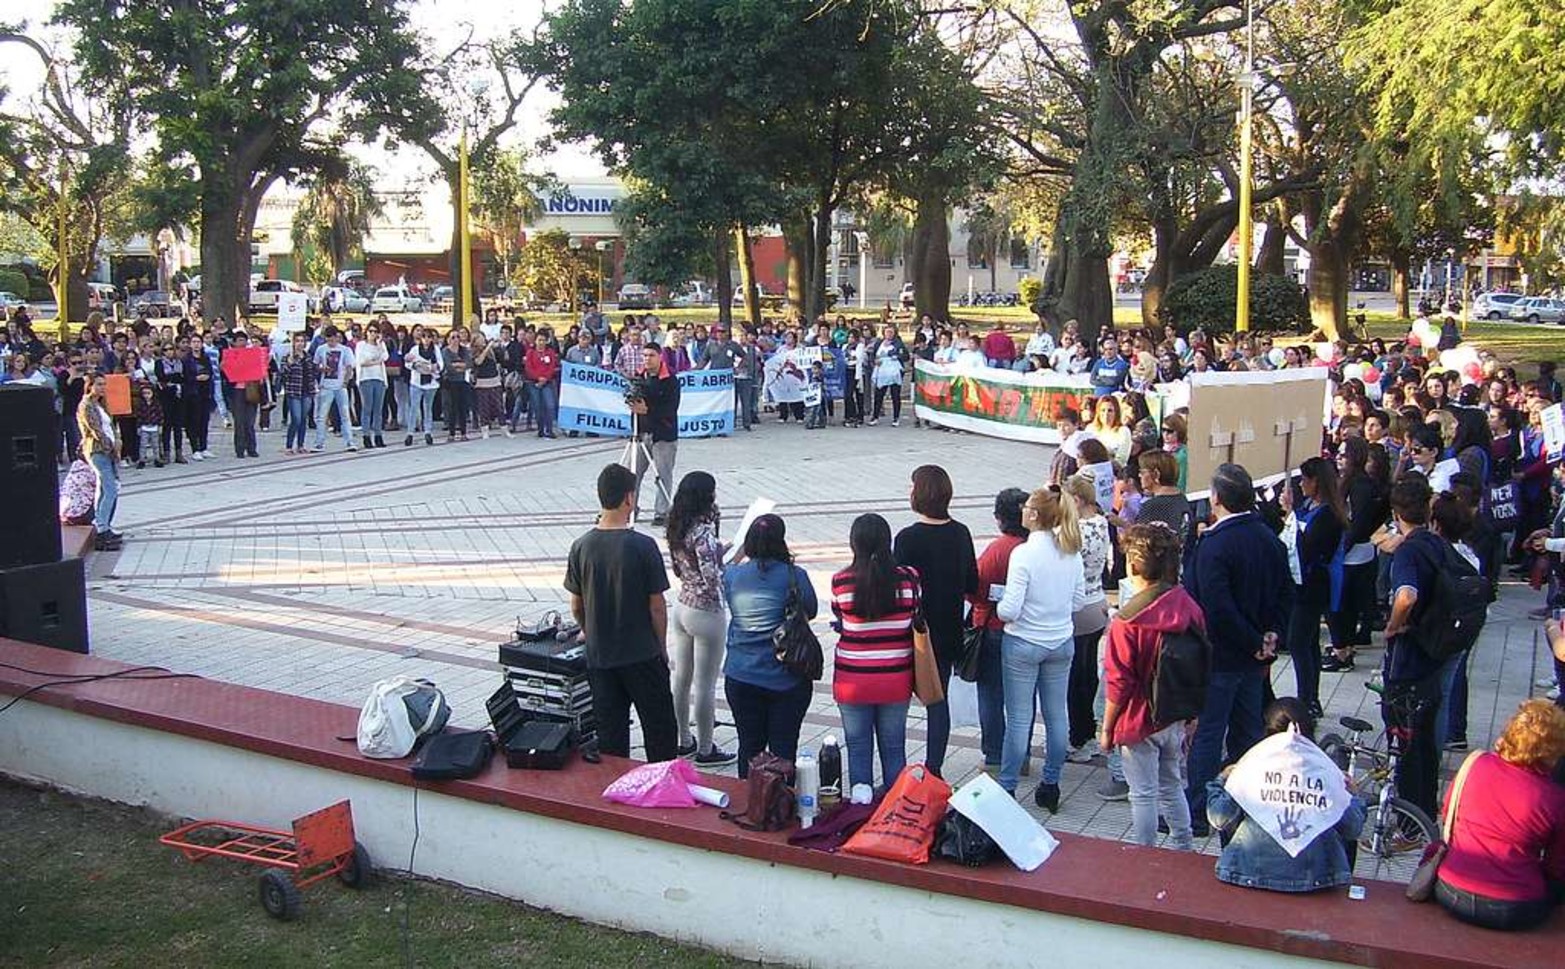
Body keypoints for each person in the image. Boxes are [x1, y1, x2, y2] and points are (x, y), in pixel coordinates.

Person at [1183, 463, 1294, 833]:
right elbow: (1285, 593)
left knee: (1209, 733)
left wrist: (1251, 640)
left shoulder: (1215, 545)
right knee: (1247, 730)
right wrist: (1270, 636)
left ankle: (1200, 809)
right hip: (1256, 654)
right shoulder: (1269, 539)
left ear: (1216, 499)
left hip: (1223, 655)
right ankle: (1246, 801)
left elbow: (1216, 607)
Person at [563, 464, 679, 763]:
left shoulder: (581, 546)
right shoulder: (642, 545)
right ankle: (661, 786)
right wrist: (661, 647)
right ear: (629, 498)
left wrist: (589, 629)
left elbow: (576, 604)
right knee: (660, 729)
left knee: (611, 735)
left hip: (601, 656)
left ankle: (615, 791)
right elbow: (657, 606)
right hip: (642, 653)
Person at [1101, 523, 1207, 848]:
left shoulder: (1127, 621)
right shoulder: (1188, 606)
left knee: (1142, 793)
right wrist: (1194, 713)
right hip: (1175, 712)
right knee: (1172, 784)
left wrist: (1107, 728)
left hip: (1137, 718)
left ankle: (1142, 855)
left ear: (1134, 566)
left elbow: (1118, 682)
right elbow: (1202, 661)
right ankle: (1183, 844)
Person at [1207, 699, 1367, 890]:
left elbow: (1220, 818)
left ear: (1267, 731)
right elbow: (1352, 828)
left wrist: (1222, 781)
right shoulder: (1327, 770)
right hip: (1318, 880)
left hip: (1246, 873)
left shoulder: (1252, 764)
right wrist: (1353, 796)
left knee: (1236, 809)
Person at [1435, 697, 1565, 930]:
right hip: (1515, 907)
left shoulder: (1475, 763)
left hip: (1450, 890)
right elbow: (1557, 866)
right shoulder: (1554, 798)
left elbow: (1447, 816)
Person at [996, 487, 1087, 811]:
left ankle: (1007, 787)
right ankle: (1051, 783)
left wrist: (999, 605)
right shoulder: (1071, 552)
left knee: (1020, 719)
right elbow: (1078, 601)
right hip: (1061, 640)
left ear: (1033, 515)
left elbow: (1010, 609)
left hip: (1023, 641)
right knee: (1056, 715)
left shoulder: (1023, 554)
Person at [890, 465, 978, 776]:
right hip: (948, 630)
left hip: (912, 632)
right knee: (937, 702)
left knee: (896, 704)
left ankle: (895, 769)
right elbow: (972, 583)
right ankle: (934, 767)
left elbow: (896, 587)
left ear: (920, 494)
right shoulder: (961, 532)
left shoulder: (907, 538)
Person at [723, 514, 818, 776]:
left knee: (749, 748)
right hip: (785, 678)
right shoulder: (795, 576)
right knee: (784, 751)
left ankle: (750, 802)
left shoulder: (732, 575)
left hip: (740, 675)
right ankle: (780, 808)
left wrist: (737, 555)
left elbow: (725, 572)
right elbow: (810, 610)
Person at [832, 513, 918, 791]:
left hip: (852, 680)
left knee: (858, 748)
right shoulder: (910, 580)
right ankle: (894, 814)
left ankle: (861, 809)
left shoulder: (841, 582)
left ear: (854, 544)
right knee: (894, 747)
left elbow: (841, 621)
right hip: (896, 678)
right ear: (888, 543)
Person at [1379, 473, 1447, 819]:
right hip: (1433, 653)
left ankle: (1408, 820)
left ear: (1396, 513)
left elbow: (1406, 595)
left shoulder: (1409, 551)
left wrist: (1392, 626)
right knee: (1423, 743)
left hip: (1407, 660)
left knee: (1405, 743)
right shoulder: (1436, 543)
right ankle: (1425, 809)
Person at [664, 471, 736, 768]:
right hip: (707, 612)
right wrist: (728, 561)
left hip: (682, 606)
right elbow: (712, 580)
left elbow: (682, 570)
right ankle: (706, 748)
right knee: (705, 683)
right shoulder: (703, 533)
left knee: (681, 677)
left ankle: (682, 739)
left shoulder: (678, 526)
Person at [1278, 457, 1347, 719]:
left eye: (1305, 480)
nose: (1301, 485)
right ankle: (1310, 696)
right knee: (1306, 642)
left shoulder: (1328, 514)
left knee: (1299, 641)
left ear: (1316, 481)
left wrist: (1290, 514)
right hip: (1303, 583)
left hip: (1314, 584)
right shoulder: (1311, 506)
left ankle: (1307, 697)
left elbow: (1307, 546)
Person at [967, 488, 1030, 771]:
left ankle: (994, 755)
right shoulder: (1038, 546)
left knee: (991, 695)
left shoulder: (997, 550)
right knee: (1023, 697)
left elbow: (975, 590)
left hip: (994, 628)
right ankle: (1022, 755)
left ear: (998, 518)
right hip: (1031, 630)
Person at [1062, 476, 1111, 763]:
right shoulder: (1101, 523)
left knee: (1075, 677)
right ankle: (1088, 731)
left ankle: (1079, 737)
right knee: (1088, 671)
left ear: (1077, 500)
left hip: (1078, 607)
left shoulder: (1076, 530)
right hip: (1098, 602)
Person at [628, 342, 680, 526]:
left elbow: (670, 409)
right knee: (633, 474)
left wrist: (647, 410)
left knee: (663, 474)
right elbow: (634, 401)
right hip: (641, 433)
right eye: (644, 355)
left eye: (651, 355)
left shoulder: (671, 380)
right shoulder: (639, 377)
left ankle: (662, 512)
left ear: (659, 357)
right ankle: (630, 508)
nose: (647, 359)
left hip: (663, 434)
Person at [76, 375, 122, 551]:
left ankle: (105, 525)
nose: (103, 388)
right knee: (109, 488)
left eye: (104, 384)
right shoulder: (86, 405)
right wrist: (111, 448)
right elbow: (95, 430)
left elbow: (110, 426)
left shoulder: (101, 404)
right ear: (90, 386)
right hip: (98, 450)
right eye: (99, 384)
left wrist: (117, 441)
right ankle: (102, 530)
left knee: (104, 488)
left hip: (108, 450)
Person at [311, 326, 356, 452]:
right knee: (322, 415)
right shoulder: (321, 349)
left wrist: (345, 382)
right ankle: (319, 442)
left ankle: (349, 441)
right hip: (326, 385)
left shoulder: (345, 350)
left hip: (340, 385)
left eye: (333, 339)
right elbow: (315, 365)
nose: (331, 342)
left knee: (345, 415)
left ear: (337, 337)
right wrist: (321, 369)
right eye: (328, 339)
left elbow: (349, 367)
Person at [278, 333, 317, 456]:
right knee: (296, 419)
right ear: (293, 343)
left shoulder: (308, 356)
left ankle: (301, 444)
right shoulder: (288, 357)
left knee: (303, 419)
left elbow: (312, 372)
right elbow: (282, 374)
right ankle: (289, 445)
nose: (300, 344)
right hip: (294, 391)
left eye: (302, 341)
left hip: (307, 391)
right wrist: (289, 364)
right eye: (298, 341)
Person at [404, 329, 441, 447]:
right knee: (414, 407)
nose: (426, 340)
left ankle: (428, 432)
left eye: (429, 337)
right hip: (417, 382)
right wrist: (415, 365)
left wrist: (432, 367)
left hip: (431, 382)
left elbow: (440, 364)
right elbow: (408, 362)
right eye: (424, 337)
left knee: (427, 407)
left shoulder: (435, 350)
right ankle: (410, 432)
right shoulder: (415, 349)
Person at [355, 322, 389, 448]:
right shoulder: (361, 345)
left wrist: (379, 345)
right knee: (367, 408)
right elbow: (361, 361)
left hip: (379, 378)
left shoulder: (381, 345)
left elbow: (385, 356)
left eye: (375, 331)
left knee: (378, 409)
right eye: (370, 331)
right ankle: (366, 435)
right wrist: (376, 361)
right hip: (366, 378)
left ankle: (378, 435)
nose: (373, 334)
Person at [523, 331, 561, 439]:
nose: (541, 342)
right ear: (535, 341)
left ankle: (549, 429)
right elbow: (529, 368)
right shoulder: (530, 352)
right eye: (539, 340)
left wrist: (545, 379)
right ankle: (540, 429)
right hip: (533, 383)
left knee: (550, 405)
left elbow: (552, 367)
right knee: (537, 407)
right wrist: (538, 378)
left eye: (543, 340)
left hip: (547, 382)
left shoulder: (550, 352)